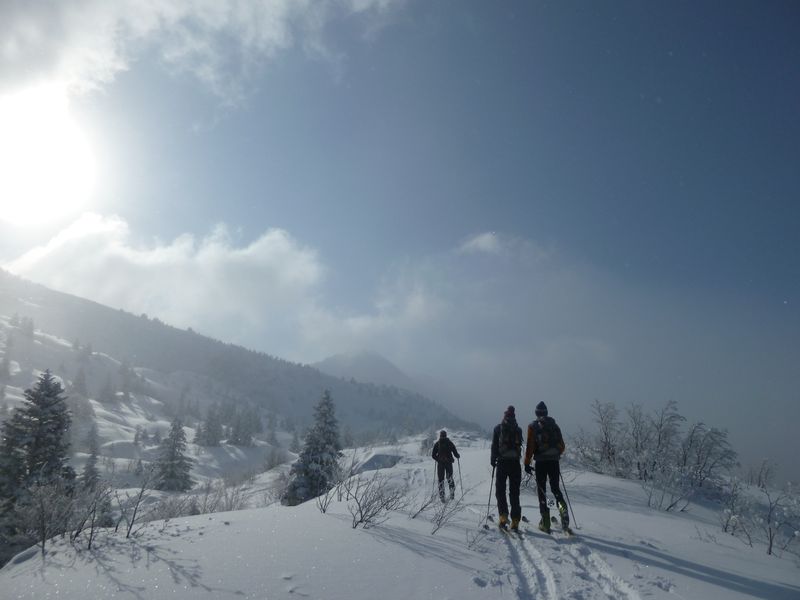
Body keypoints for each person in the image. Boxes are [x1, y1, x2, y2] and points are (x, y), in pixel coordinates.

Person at [524, 401, 567, 533]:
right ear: (547, 413)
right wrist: (555, 455)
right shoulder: (555, 425)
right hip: (554, 462)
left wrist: (527, 463)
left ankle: (546, 521)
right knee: (555, 489)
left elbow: (530, 447)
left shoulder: (533, 426)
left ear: (536, 413)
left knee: (542, 491)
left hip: (541, 463)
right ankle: (563, 511)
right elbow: (562, 446)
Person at [490, 406, 524, 530]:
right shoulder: (518, 429)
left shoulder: (498, 428)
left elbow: (494, 446)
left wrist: (493, 460)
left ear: (504, 416)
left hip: (502, 463)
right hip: (515, 463)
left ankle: (503, 516)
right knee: (514, 492)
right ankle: (515, 520)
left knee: (500, 490)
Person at [431, 430, 460, 502]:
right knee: (450, 478)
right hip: (449, 463)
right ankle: (452, 495)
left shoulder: (437, 444)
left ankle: (442, 497)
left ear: (440, 436)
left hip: (440, 464)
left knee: (441, 480)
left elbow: (433, 455)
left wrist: (438, 459)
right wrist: (457, 456)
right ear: (446, 435)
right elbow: (455, 453)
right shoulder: (450, 443)